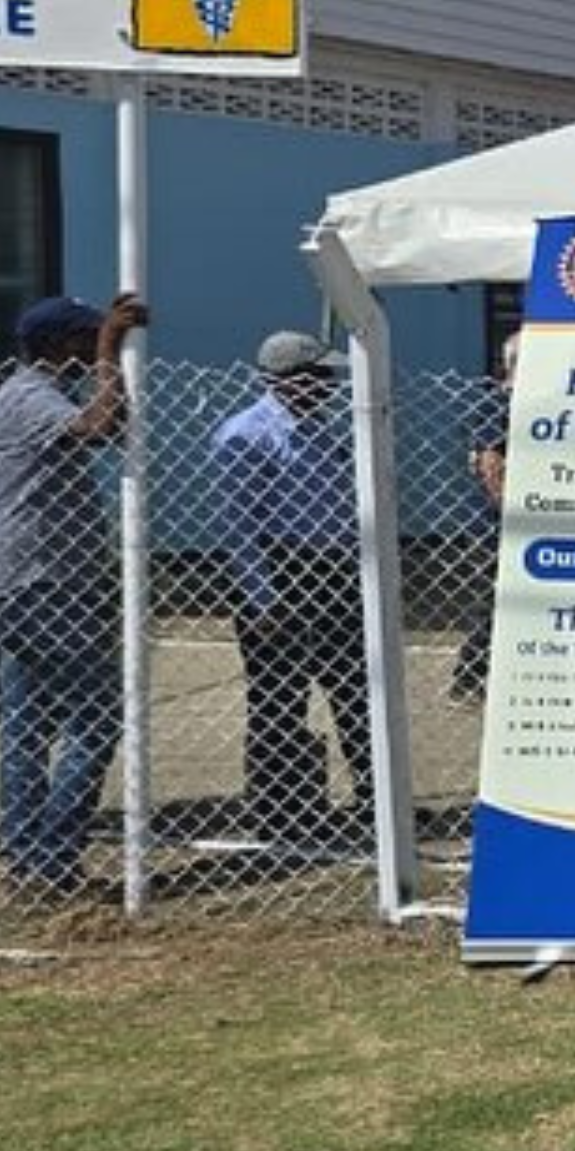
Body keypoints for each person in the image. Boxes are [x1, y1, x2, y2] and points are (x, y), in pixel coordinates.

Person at [0, 293, 143, 897]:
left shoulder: (33, 393)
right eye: (83, 338)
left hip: (36, 581)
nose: (90, 348)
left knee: (28, 721)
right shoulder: (28, 395)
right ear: (59, 346)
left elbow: (114, 424)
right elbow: (99, 426)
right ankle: (52, 856)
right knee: (98, 714)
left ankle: (26, 856)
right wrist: (111, 348)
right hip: (38, 583)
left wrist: (108, 357)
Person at [213, 330, 375, 847]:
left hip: (332, 570)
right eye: (320, 375)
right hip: (281, 566)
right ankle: (282, 814)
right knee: (279, 696)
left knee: (355, 689)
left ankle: (378, 800)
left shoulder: (318, 430)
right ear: (287, 380)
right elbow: (238, 525)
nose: (330, 385)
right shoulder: (248, 434)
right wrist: (262, 598)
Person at [451, 332, 516, 702]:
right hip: (492, 524)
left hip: (506, 521)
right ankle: (469, 678)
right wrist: (509, 510)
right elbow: (491, 464)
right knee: (491, 601)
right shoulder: (498, 404)